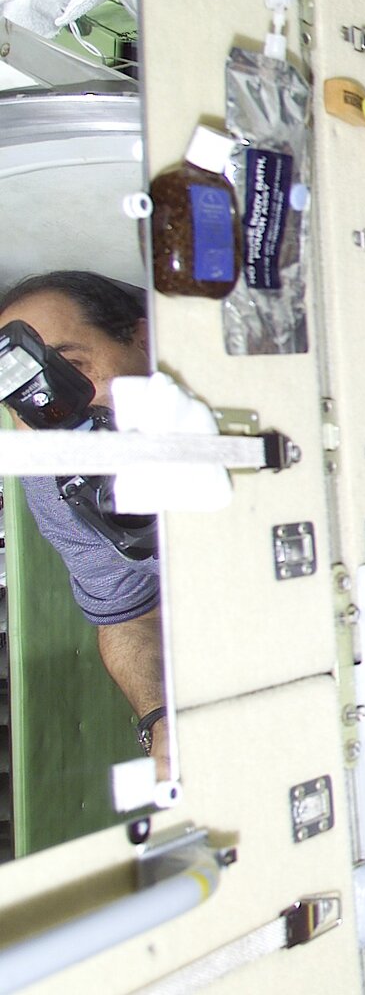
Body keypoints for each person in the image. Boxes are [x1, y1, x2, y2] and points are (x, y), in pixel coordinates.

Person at [0, 271, 167, 769]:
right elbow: (129, 615)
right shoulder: (56, 484)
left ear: (143, 340)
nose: (59, 408)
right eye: (31, 397)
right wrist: (159, 720)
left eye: (72, 368)